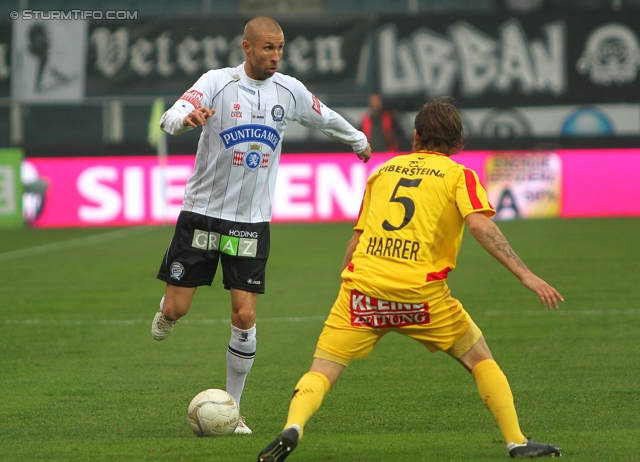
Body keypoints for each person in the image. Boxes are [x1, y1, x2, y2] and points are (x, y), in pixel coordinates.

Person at [257, 97, 563, 460]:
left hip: (362, 292)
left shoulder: (383, 173)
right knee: (480, 358)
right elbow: (480, 224)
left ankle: (293, 426)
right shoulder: (458, 175)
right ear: (457, 142)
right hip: (421, 295)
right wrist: (525, 275)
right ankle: (516, 441)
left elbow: (356, 240)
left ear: (415, 135)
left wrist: (348, 292)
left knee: (322, 369)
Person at [151, 16, 372, 435]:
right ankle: (166, 312)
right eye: (268, 48)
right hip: (201, 213)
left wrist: (357, 139)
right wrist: (188, 118)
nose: (275, 56)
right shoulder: (216, 81)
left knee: (245, 315)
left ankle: (233, 409)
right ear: (246, 48)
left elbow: (324, 117)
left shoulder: (289, 91)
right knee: (177, 308)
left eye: (280, 48)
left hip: (250, 222)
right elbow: (170, 117)